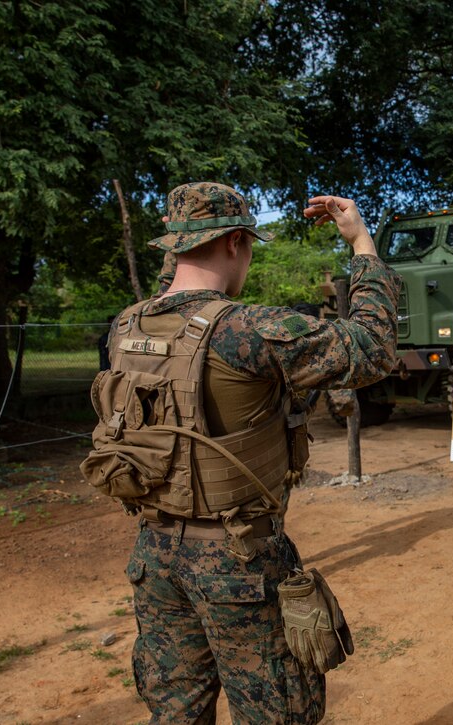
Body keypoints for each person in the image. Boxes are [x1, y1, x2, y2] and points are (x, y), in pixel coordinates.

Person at [80, 181, 400, 723]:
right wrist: (362, 243)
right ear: (234, 242)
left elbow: (177, 298)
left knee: (176, 711)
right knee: (275, 713)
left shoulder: (127, 326)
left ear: (175, 247)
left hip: (155, 557)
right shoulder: (248, 330)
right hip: (240, 563)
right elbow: (371, 347)